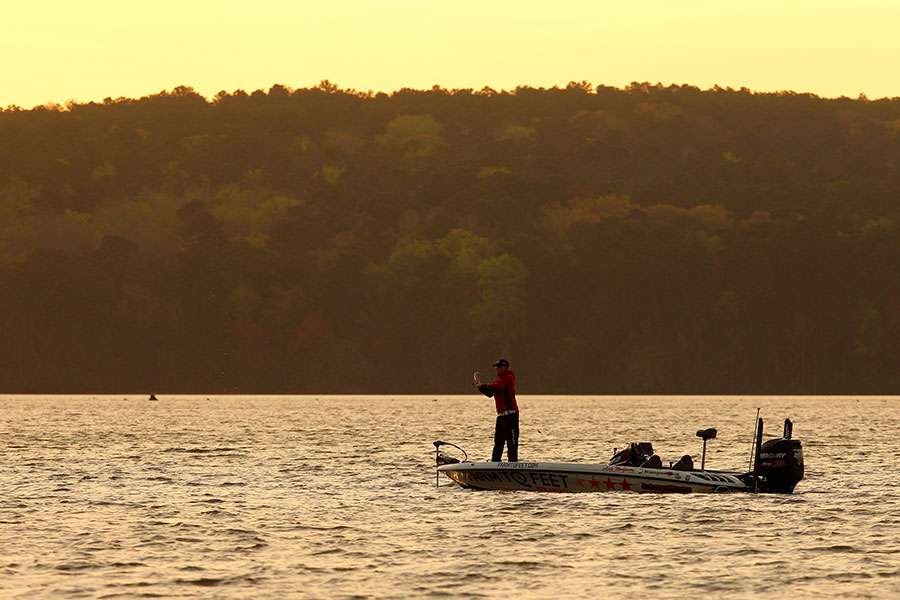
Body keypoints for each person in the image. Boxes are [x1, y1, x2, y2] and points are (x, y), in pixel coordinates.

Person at [474, 358, 519, 462]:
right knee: (498, 442)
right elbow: (490, 393)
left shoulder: (508, 378)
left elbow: (496, 387)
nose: (497, 369)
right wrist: (480, 387)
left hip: (511, 416)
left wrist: (482, 385)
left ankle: (513, 464)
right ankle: (495, 463)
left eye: (499, 367)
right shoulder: (498, 381)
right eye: (496, 367)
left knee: (511, 444)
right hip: (501, 417)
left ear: (505, 367)